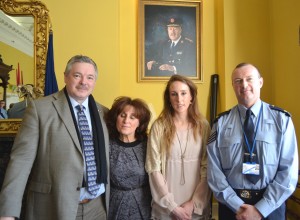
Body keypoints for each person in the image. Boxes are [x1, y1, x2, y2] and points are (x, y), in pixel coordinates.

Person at [0, 55, 110, 220]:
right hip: (53, 206)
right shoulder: (39, 109)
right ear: (65, 77)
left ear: (94, 81)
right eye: (77, 75)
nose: (83, 82)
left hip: (97, 208)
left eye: (90, 77)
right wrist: (8, 213)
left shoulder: (104, 113)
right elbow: (20, 162)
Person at [207, 63, 299, 220]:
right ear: (233, 85)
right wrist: (237, 206)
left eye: (249, 79)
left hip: (271, 206)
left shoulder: (282, 120)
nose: (244, 85)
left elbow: (289, 171)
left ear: (260, 82)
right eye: (238, 81)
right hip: (232, 208)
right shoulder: (220, 123)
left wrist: (261, 209)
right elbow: (214, 171)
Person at [145, 74, 211, 219]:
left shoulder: (203, 126)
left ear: (191, 97)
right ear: (168, 98)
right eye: (174, 94)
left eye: (183, 93)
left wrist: (193, 203)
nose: (179, 99)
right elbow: (153, 168)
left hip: (194, 208)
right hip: (166, 209)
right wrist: (172, 206)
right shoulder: (159, 126)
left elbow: (207, 168)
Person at [105, 96, 152, 219]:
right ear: (116, 118)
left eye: (132, 117)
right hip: (113, 205)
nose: (126, 121)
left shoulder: (149, 145)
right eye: (122, 115)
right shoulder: (106, 144)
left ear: (139, 123)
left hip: (144, 204)